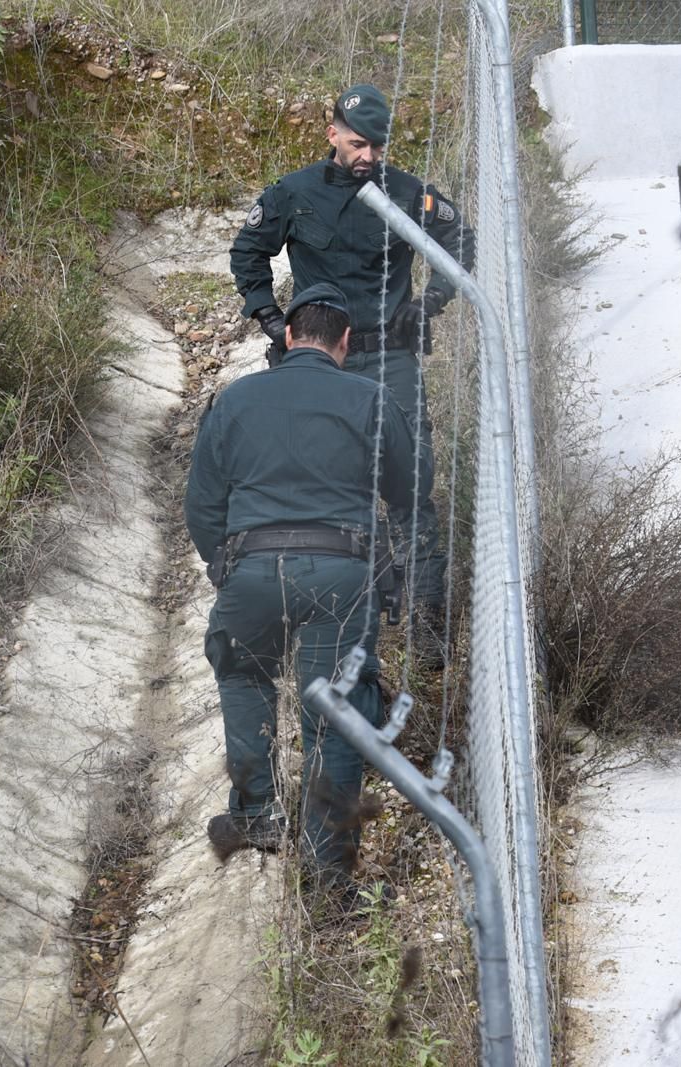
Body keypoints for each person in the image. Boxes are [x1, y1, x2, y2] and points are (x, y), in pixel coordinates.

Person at [184, 283, 432, 904]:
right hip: (342, 573)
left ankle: (256, 814)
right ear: (345, 343)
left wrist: (230, 566)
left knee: (243, 676)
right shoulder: (371, 397)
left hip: (252, 570)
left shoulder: (236, 398)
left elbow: (201, 506)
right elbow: (411, 489)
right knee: (334, 716)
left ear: (288, 336)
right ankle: (329, 884)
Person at [228, 83, 473, 668]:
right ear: (332, 132)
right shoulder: (294, 193)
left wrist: (431, 299)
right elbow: (248, 250)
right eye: (358, 143)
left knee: (411, 484)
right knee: (317, 483)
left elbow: (462, 239)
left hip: (390, 355)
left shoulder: (408, 193)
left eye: (378, 146)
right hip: (319, 359)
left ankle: (428, 632)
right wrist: (268, 316)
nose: (367, 156)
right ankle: (331, 620)